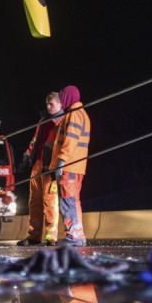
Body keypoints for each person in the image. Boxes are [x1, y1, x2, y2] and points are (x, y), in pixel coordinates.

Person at [17, 92, 62, 246]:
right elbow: (34, 142)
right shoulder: (43, 121)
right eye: (47, 104)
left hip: (51, 167)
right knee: (34, 201)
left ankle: (51, 237)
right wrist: (26, 158)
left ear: (60, 104)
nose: (48, 107)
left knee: (50, 202)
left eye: (52, 104)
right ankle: (33, 237)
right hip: (37, 165)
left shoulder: (62, 122)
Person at [50, 85, 91, 246]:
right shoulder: (82, 114)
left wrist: (62, 160)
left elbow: (70, 140)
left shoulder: (73, 115)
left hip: (69, 166)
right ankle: (77, 234)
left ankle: (74, 236)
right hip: (76, 166)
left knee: (67, 201)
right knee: (73, 200)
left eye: (63, 97)